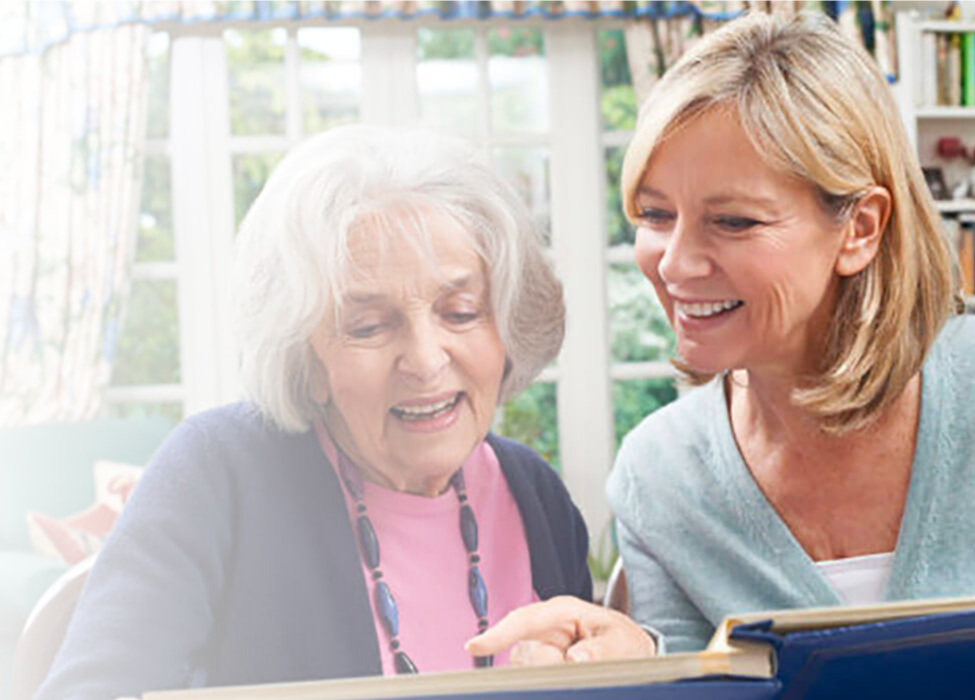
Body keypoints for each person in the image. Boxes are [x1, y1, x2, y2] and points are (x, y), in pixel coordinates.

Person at [468, 10, 975, 671]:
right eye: (656, 215)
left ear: (861, 228)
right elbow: (699, 681)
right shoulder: (660, 473)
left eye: (734, 221)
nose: (674, 263)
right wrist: (639, 665)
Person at [36, 125, 591, 699]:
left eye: (461, 312)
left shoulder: (536, 497)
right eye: (370, 326)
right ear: (307, 355)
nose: (426, 361)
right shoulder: (219, 475)